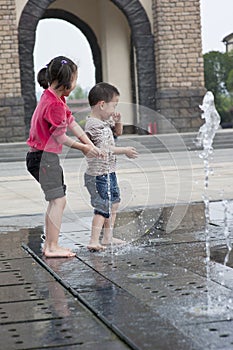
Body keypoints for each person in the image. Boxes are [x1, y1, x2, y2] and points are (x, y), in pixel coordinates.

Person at [26, 56, 102, 258]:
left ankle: (50, 245)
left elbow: (72, 123)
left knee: (55, 200)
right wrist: (83, 148)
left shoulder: (52, 97)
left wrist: (89, 142)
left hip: (40, 158)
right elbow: (59, 136)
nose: (76, 84)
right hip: (44, 159)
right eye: (76, 79)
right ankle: (51, 247)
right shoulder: (55, 105)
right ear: (68, 83)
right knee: (58, 200)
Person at [84, 82, 138, 251]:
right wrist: (125, 151)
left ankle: (107, 237)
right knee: (102, 207)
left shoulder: (104, 121)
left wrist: (118, 121)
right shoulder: (93, 124)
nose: (114, 109)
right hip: (98, 175)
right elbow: (105, 148)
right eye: (113, 105)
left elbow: (118, 134)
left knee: (114, 203)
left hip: (109, 172)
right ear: (102, 104)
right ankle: (94, 240)